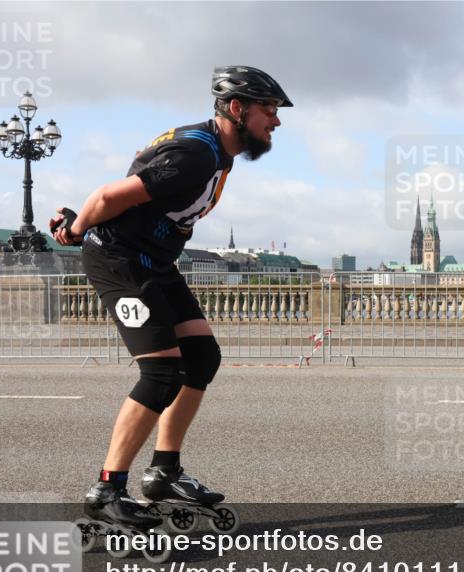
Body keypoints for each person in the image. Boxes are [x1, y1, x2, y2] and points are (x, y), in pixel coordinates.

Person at [50, 66, 291, 530]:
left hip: (153, 261)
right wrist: (75, 229)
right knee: (161, 371)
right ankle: (107, 489)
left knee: (201, 357)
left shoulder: (219, 151)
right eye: (270, 111)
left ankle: (163, 471)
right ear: (237, 109)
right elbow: (106, 196)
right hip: (120, 260)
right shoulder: (195, 154)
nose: (276, 122)